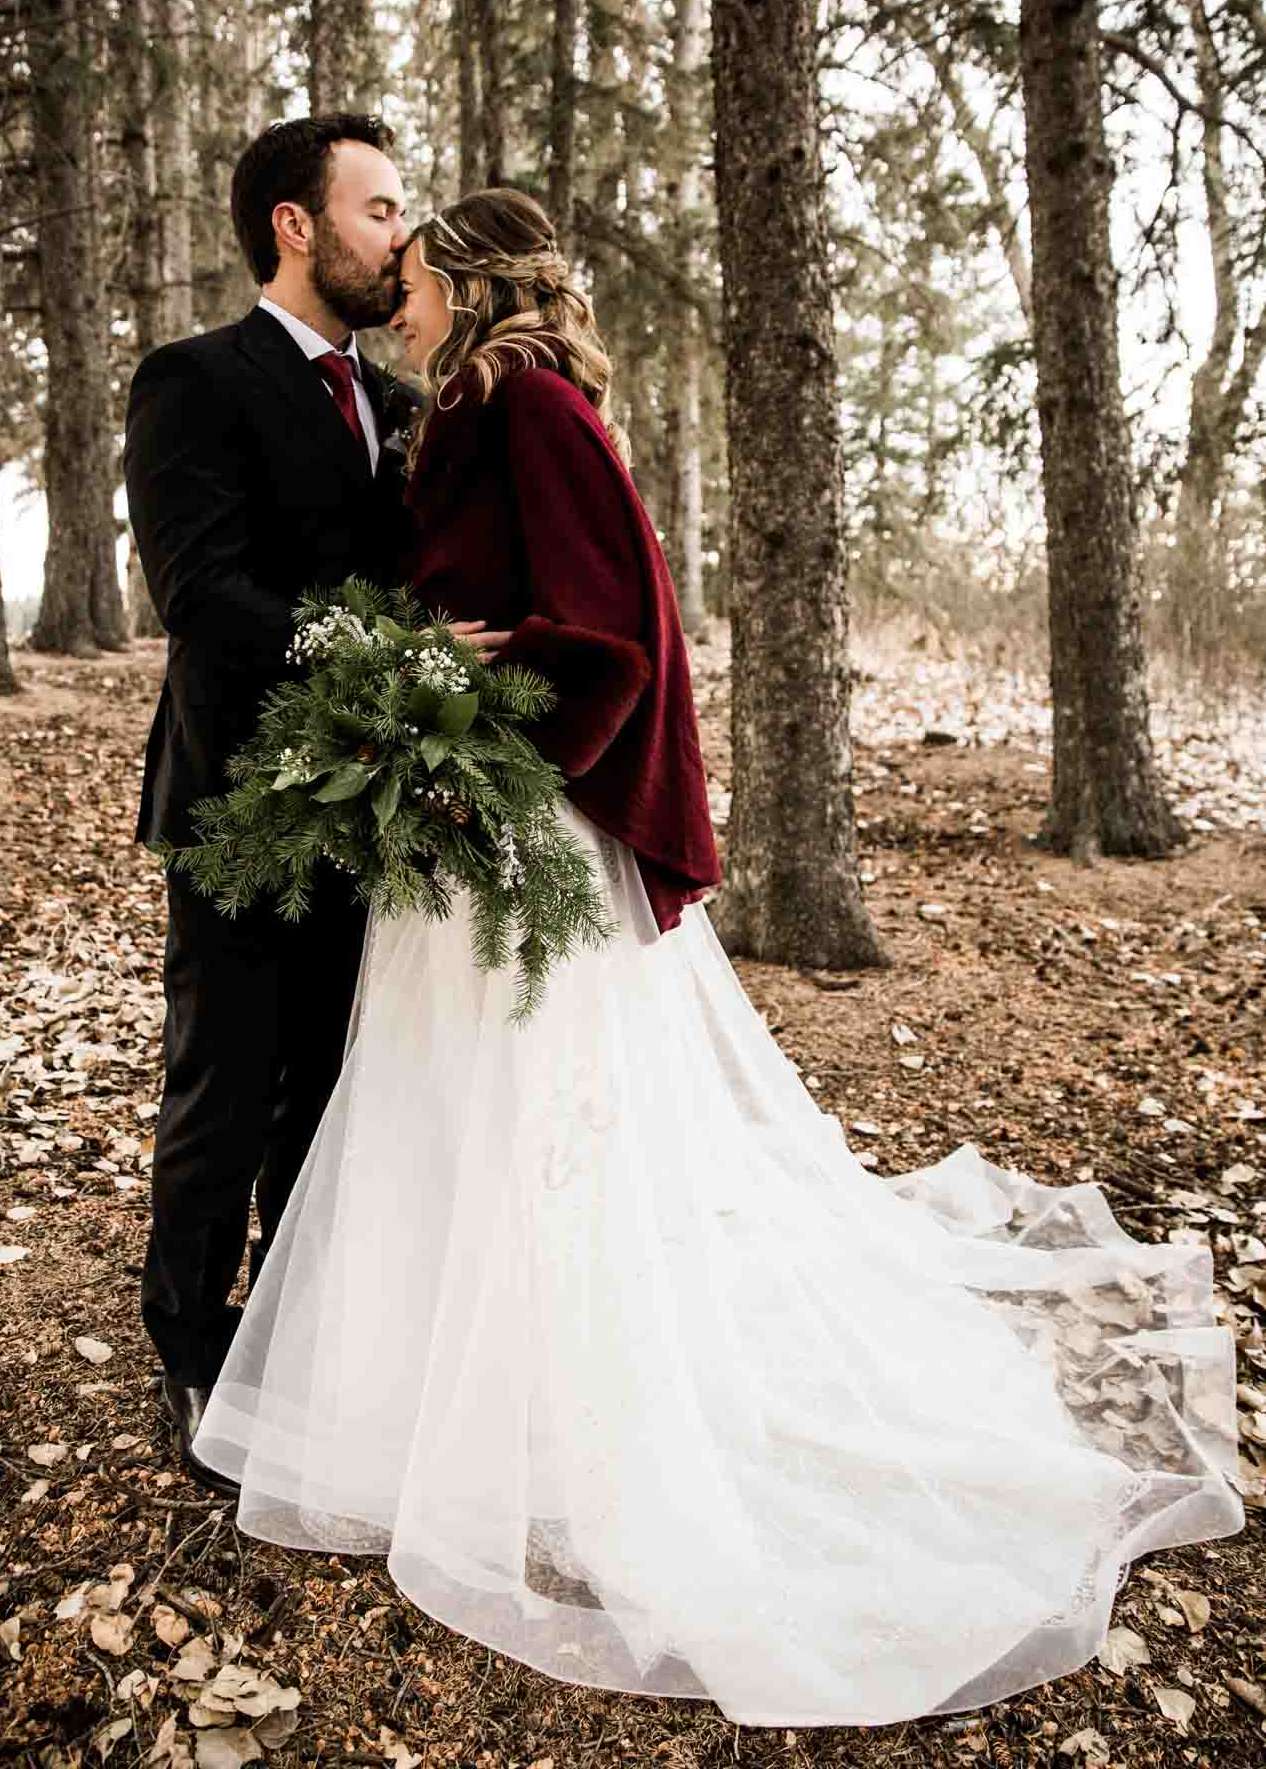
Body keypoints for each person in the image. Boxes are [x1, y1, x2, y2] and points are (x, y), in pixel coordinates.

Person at [193, 190, 1242, 1726]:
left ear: (470, 285)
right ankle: (453, 1395)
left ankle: (575, 1413)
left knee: (541, 1105)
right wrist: (420, 681)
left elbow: (608, 632)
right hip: (461, 815)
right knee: (454, 1099)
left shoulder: (526, 399)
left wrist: (480, 726)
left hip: (515, 821)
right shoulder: (481, 403)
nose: (394, 296)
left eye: (412, 274)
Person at [124, 116, 506, 1495]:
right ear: (296, 225)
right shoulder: (195, 381)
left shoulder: (404, 407)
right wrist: (391, 658)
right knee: (223, 1085)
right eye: (378, 207)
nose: (401, 235)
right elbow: (204, 596)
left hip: (381, 810)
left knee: (334, 1090)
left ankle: (296, 1338)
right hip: (238, 797)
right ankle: (187, 1346)